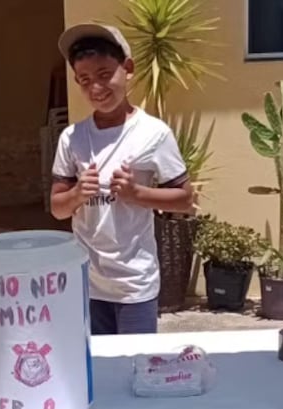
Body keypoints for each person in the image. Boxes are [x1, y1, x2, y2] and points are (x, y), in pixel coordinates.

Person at [50, 23, 194, 336]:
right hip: (86, 284)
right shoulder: (71, 138)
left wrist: (136, 193)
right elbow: (57, 208)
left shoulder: (153, 134)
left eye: (104, 75)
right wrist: (76, 194)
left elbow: (185, 201)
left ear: (127, 69)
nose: (96, 89)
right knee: (96, 367)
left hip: (134, 284)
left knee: (136, 369)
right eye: (85, 80)